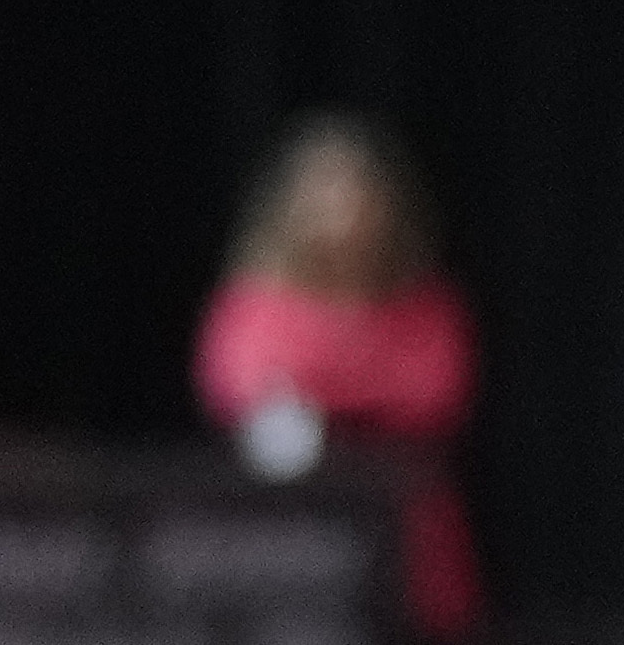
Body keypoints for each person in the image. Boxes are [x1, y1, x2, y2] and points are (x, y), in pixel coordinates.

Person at [199, 116, 475, 637]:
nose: (341, 209)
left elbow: (434, 394)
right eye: (324, 191)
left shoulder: (426, 303)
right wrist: (363, 388)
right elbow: (235, 389)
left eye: (355, 191)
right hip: (289, 537)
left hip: (409, 537)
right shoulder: (255, 302)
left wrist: (314, 393)